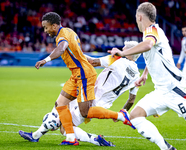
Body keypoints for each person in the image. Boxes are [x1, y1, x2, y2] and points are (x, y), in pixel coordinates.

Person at [34, 12, 133, 145]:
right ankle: (67, 138)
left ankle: (120, 116)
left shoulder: (62, 37)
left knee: (84, 113)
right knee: (60, 104)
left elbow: (62, 48)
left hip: (84, 75)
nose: (45, 31)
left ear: (54, 26)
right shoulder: (69, 31)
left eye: (46, 27)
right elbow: (132, 98)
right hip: (77, 74)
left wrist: (45, 60)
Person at [108, 2, 186, 150]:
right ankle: (166, 148)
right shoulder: (152, 33)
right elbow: (154, 53)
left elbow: (148, 45)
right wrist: (145, 74)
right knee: (136, 116)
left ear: (140, 16)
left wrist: (122, 53)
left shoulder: (152, 30)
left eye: (136, 18)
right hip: (161, 91)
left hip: (174, 89)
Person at [19, 41, 140, 146]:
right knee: (60, 106)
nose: (121, 49)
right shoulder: (137, 75)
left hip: (90, 97)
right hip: (102, 105)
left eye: (124, 49)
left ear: (129, 52)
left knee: (64, 127)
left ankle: (94, 139)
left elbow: (92, 62)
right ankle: (35, 136)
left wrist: (74, 51)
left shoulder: (118, 60)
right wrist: (124, 110)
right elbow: (131, 100)